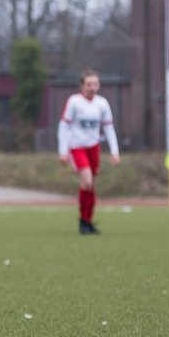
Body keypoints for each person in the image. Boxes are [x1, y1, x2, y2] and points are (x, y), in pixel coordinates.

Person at [58, 69, 120, 234]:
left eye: (95, 84)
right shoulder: (74, 102)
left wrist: (115, 151)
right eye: (88, 84)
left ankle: (87, 221)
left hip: (94, 147)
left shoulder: (102, 103)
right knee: (87, 181)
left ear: (99, 85)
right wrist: (62, 151)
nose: (92, 87)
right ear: (81, 86)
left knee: (90, 185)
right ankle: (83, 221)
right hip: (77, 147)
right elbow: (64, 126)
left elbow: (108, 128)